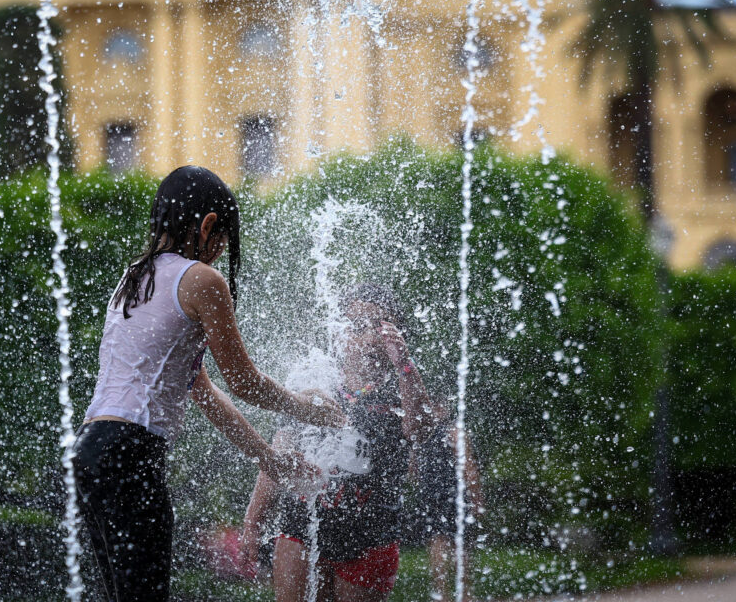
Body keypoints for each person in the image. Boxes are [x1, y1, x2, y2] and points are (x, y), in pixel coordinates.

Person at [72, 166, 345, 602]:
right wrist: (304, 407)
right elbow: (243, 382)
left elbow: (204, 391)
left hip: (91, 451)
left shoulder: (134, 278)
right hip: (130, 451)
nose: (219, 254)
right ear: (208, 225)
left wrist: (269, 459)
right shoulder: (201, 280)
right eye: (222, 242)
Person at [242, 284, 439, 602]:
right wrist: (253, 522)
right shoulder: (317, 382)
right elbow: (280, 453)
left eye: (381, 328)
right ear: (341, 333)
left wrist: (405, 364)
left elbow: (420, 430)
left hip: (370, 539)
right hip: (302, 530)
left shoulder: (402, 386)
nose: (371, 339)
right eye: (359, 328)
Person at [413, 405, 484, 602]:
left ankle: (441, 593)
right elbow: (467, 465)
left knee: (437, 540)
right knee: (460, 542)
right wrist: (476, 497)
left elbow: (413, 469)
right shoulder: (454, 431)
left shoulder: (421, 435)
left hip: (430, 494)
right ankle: (465, 593)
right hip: (453, 493)